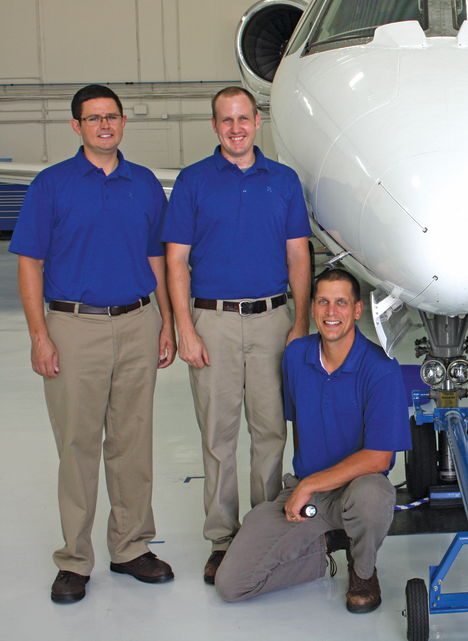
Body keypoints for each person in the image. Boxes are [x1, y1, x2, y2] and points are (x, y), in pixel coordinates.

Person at [11, 84, 176, 603]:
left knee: (132, 442)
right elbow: (29, 262)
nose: (104, 125)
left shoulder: (145, 183)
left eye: (112, 117)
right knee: (77, 446)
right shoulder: (51, 185)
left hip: (136, 321)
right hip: (73, 326)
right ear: (76, 127)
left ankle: (130, 547)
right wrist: (40, 335)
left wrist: (166, 323)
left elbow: (156, 259)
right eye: (93, 118)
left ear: (123, 123)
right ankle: (75, 559)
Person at [162, 86, 312, 583]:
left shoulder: (285, 182)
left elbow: (297, 257)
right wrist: (185, 327)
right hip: (213, 321)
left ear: (257, 121)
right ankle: (222, 539)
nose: (236, 128)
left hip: (272, 319)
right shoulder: (193, 181)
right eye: (226, 120)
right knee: (218, 435)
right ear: (214, 126)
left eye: (243, 118)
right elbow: (176, 260)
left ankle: (262, 531)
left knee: (270, 432)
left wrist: (300, 323)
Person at [214, 268, 411, 612]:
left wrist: (310, 485)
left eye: (340, 302)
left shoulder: (381, 368)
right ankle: (326, 549)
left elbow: (379, 458)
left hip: (356, 488)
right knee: (232, 583)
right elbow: (295, 421)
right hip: (307, 490)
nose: (330, 312)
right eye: (322, 302)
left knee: (372, 497)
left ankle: (363, 571)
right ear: (313, 306)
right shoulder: (296, 356)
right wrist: (304, 488)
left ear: (357, 310)